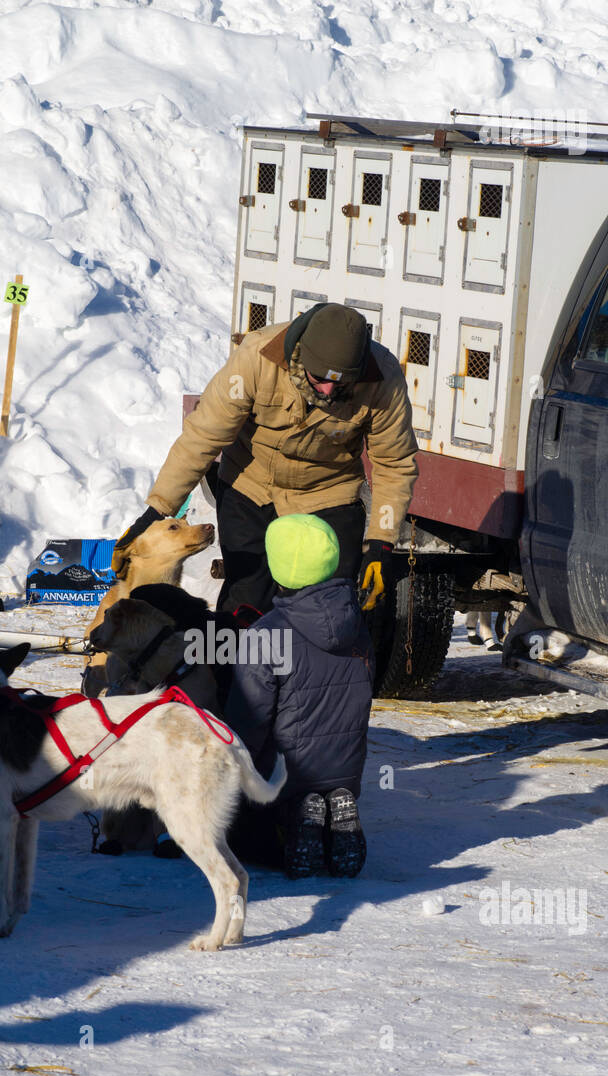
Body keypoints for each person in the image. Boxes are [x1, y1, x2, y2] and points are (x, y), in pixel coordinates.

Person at [113, 302, 419, 619]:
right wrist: (156, 510)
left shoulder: (383, 378)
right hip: (250, 484)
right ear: (299, 354)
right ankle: (227, 667)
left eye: (340, 383)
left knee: (327, 605)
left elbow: (394, 464)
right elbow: (202, 436)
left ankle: (308, 666)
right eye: (319, 378)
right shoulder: (256, 356)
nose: (328, 390)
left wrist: (382, 543)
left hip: (326, 492)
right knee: (246, 600)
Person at [223, 513, 374, 879]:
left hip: (284, 774)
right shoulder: (357, 623)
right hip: (346, 770)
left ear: (278, 566)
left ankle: (294, 826)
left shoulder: (265, 634)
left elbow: (249, 720)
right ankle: (333, 814)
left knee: (233, 836)